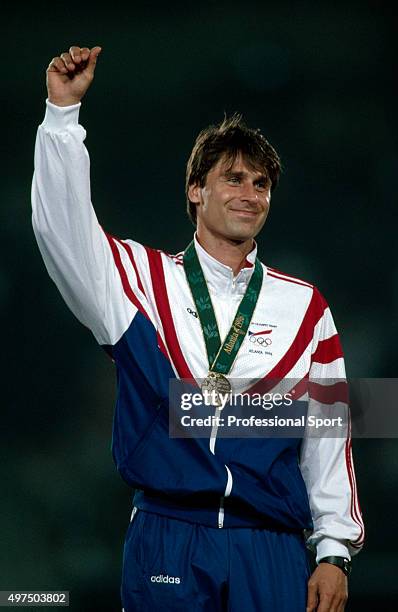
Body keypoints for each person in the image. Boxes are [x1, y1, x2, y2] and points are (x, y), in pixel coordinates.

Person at [31, 45, 364, 612]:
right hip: (169, 535)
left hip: (271, 544)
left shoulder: (304, 306)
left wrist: (333, 550)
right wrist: (62, 117)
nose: (249, 194)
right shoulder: (141, 281)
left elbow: (328, 434)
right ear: (195, 189)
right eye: (232, 178)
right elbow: (64, 229)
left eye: (261, 184)